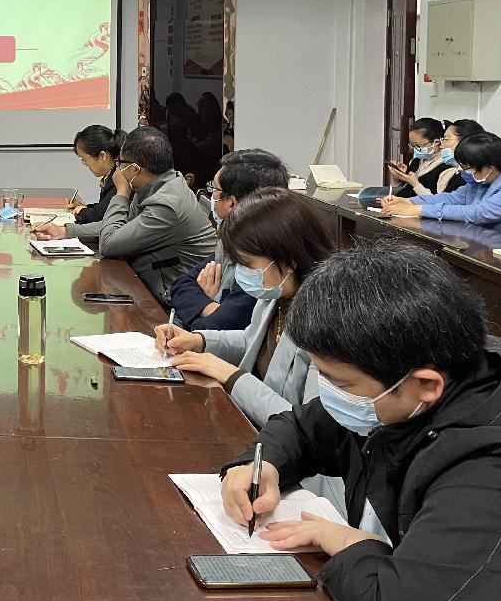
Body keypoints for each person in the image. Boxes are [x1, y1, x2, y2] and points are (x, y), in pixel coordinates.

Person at [219, 241, 501, 601]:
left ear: (426, 385)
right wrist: (259, 465)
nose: (327, 392)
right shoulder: (408, 369)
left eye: (339, 382)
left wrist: (348, 542)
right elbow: (303, 427)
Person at [154, 188, 336, 429]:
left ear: (289, 261)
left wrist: (231, 377)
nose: (241, 273)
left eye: (247, 264)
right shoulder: (278, 291)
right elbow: (251, 341)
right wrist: (199, 341)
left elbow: (309, 426)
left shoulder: (329, 321)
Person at [63, 127, 216, 305]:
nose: (117, 169)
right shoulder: (158, 184)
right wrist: (68, 232)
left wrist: (121, 192)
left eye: (120, 163)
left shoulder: (166, 205)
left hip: (175, 298)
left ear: (135, 169)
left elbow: (109, 244)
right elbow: (122, 227)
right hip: (150, 280)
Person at [170, 149, 290, 331]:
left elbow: (216, 326)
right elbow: (181, 285)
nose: (211, 195)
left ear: (231, 203)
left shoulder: (264, 265)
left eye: (214, 189)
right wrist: (210, 307)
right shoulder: (229, 243)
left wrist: (206, 308)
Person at [379, 132, 501, 236]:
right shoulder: (486, 177)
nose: (465, 173)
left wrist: (418, 210)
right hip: (490, 243)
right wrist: (409, 202)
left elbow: (479, 213)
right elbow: (455, 198)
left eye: (468, 169)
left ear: (489, 168)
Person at [35, 125, 125, 242]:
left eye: (84, 159)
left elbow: (99, 217)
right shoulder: (111, 175)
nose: (85, 164)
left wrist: (81, 211)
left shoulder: (119, 178)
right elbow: (105, 207)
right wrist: (85, 208)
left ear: (102, 156)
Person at [385, 117, 448, 196]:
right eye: (412, 145)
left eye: (418, 145)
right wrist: (399, 177)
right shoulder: (416, 161)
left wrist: (415, 183)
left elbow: (437, 201)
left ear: (436, 142)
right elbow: (404, 190)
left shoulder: (446, 167)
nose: (415, 149)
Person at [430, 118, 485, 195]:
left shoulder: (477, 176)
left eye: (446, 139)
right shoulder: (460, 172)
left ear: (465, 141)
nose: (441, 146)